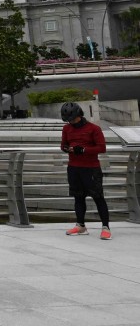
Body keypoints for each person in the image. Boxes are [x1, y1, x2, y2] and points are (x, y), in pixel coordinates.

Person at [60, 102, 111, 240]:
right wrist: (66, 149)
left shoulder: (94, 129)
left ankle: (106, 228)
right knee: (78, 197)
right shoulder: (66, 129)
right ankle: (80, 226)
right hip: (74, 168)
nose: (70, 122)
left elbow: (101, 148)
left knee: (98, 197)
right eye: (68, 120)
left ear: (79, 115)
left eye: (72, 119)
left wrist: (83, 150)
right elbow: (63, 145)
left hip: (91, 168)